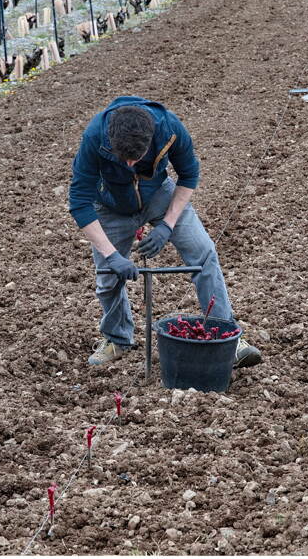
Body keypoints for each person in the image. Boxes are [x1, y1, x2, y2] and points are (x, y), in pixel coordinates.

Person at [68, 96, 262, 368]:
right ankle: (117, 338)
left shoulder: (170, 128)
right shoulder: (94, 136)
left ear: (150, 140)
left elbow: (189, 175)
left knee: (204, 254)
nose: (130, 166)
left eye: (136, 159)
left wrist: (168, 225)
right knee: (107, 278)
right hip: (109, 203)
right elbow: (79, 201)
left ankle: (227, 337)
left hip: (160, 195)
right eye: (124, 159)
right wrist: (112, 256)